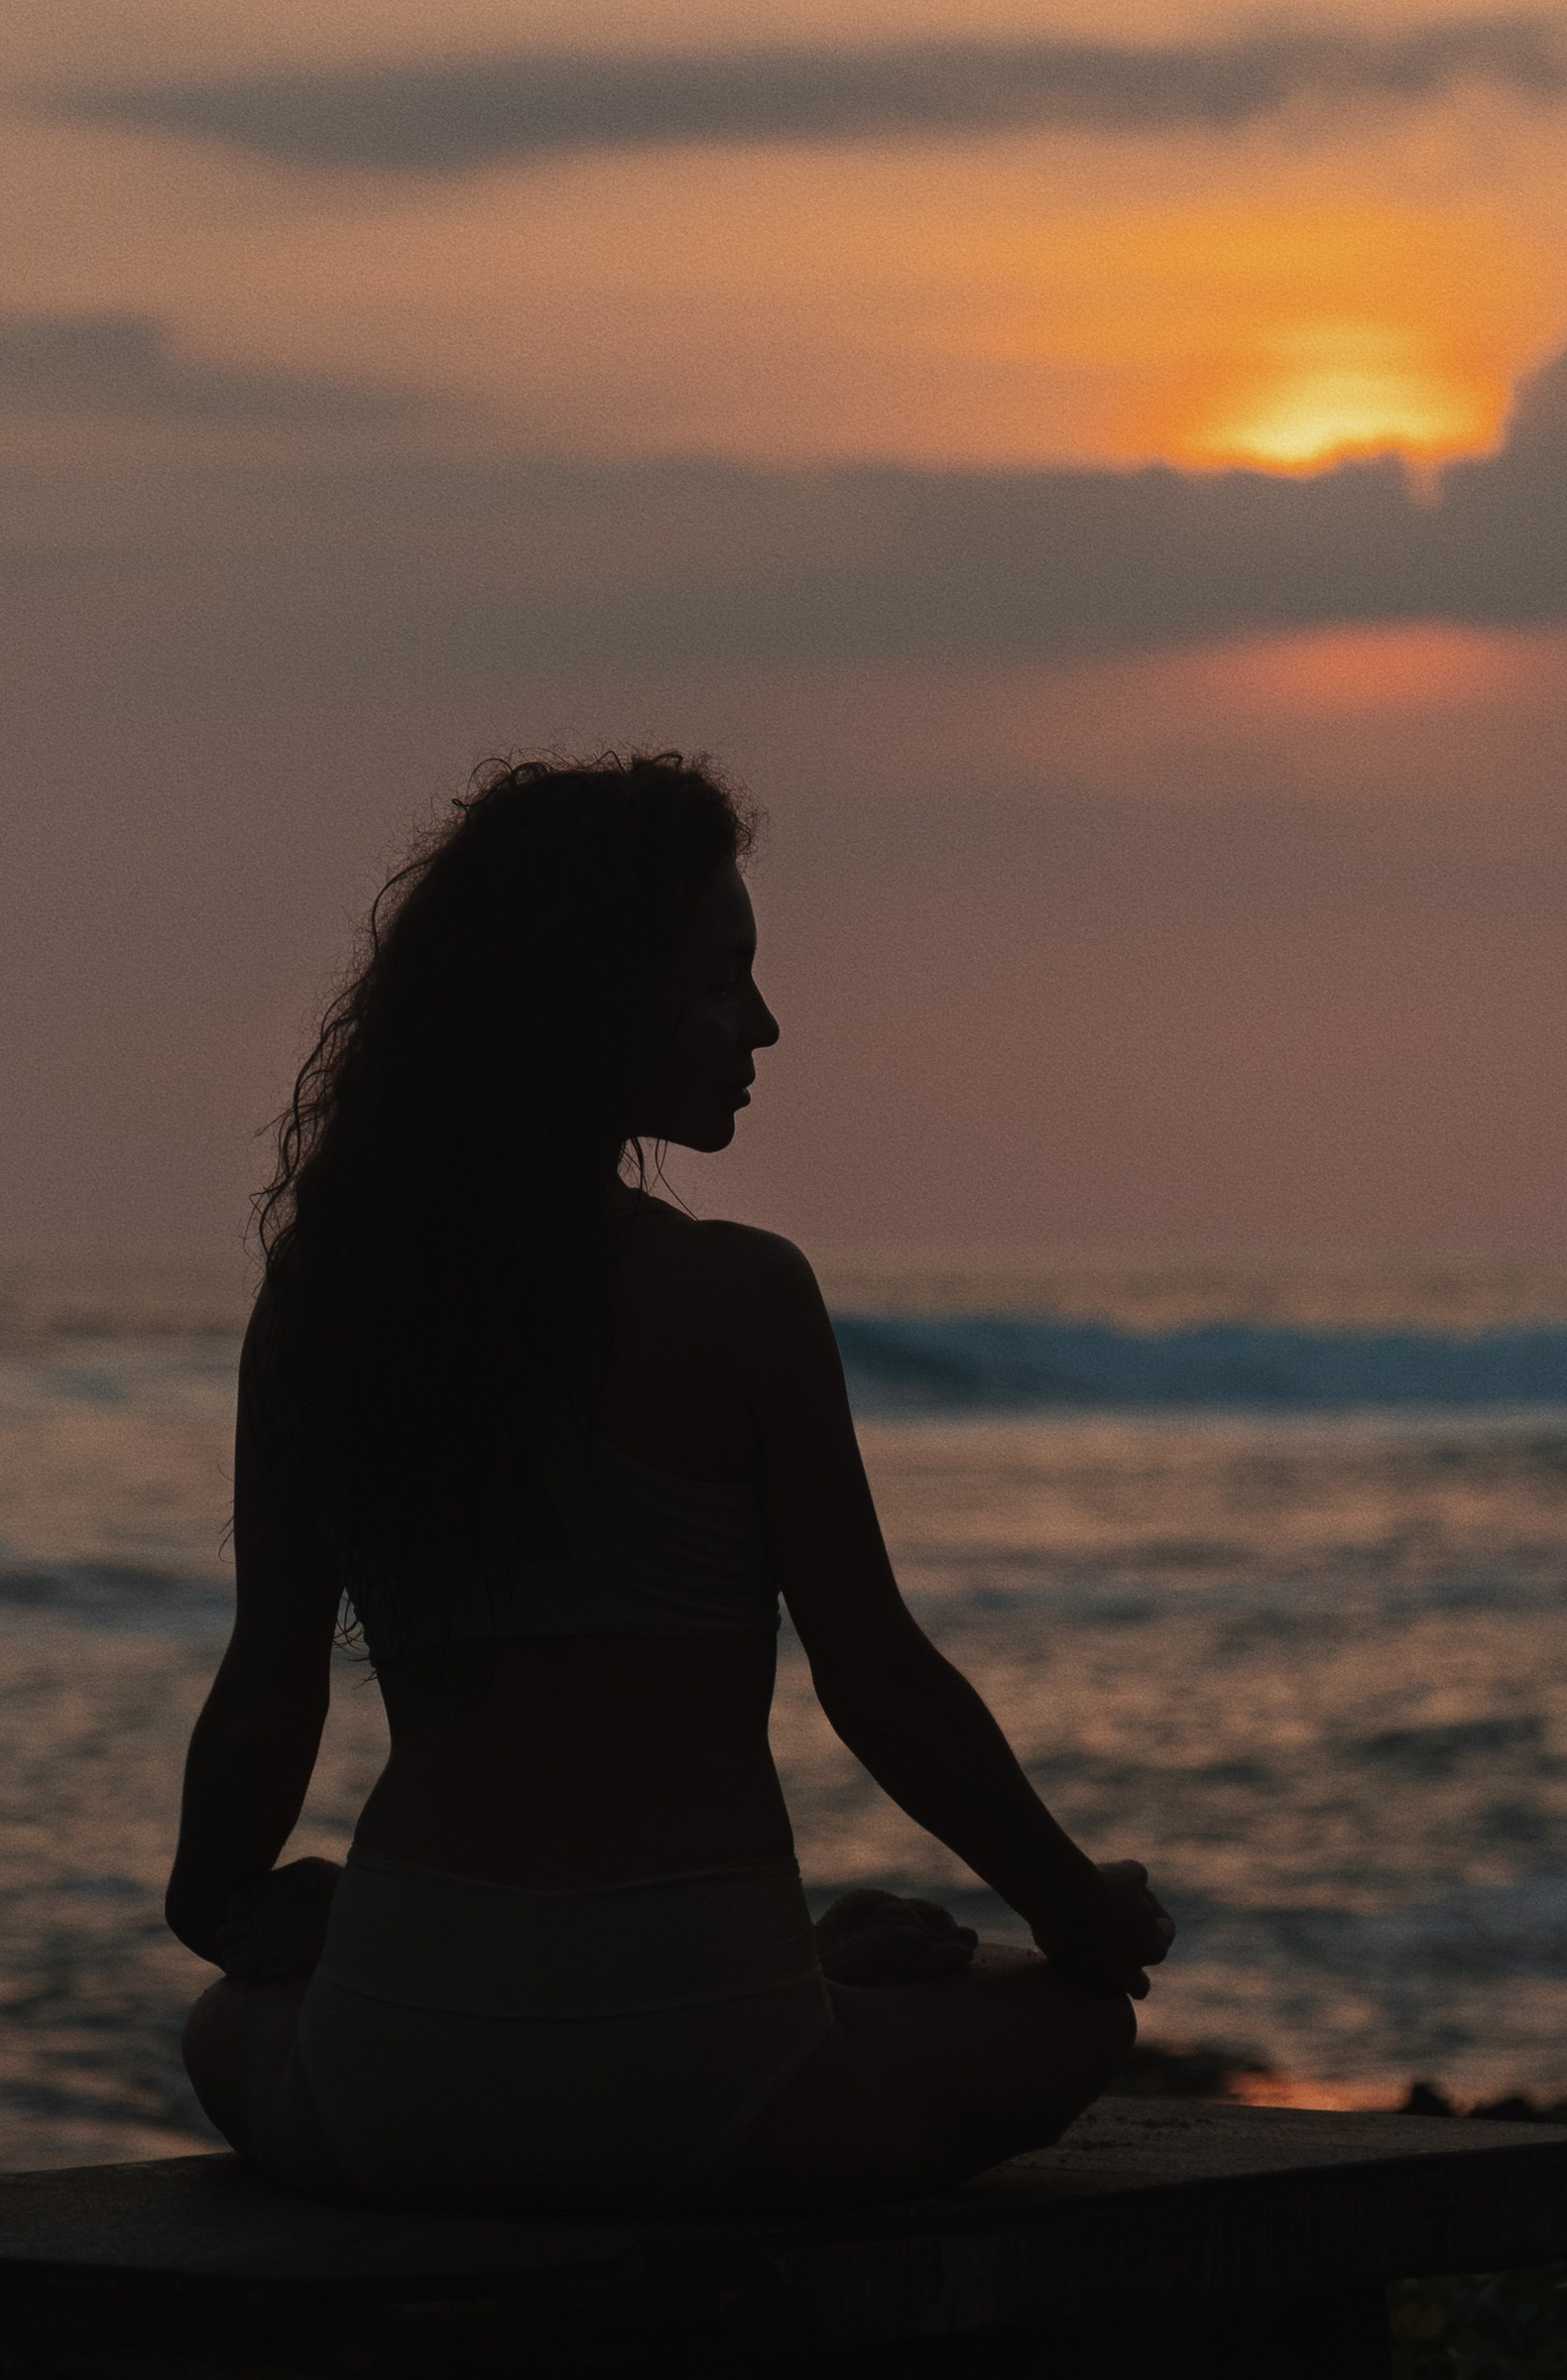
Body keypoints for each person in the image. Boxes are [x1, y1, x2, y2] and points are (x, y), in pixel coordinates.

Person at [167, 752, 1171, 2212]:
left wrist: (224, 1909)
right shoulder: (744, 1298)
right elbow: (880, 1679)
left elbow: (268, 1690)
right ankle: (802, 1982)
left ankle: (796, 1973)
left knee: (228, 2031)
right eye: (719, 985)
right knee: (1071, 2021)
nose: (761, 1025)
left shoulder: (330, 1307)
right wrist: (1083, 1920)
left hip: (409, 2064)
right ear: (587, 1003)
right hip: (713, 2074)